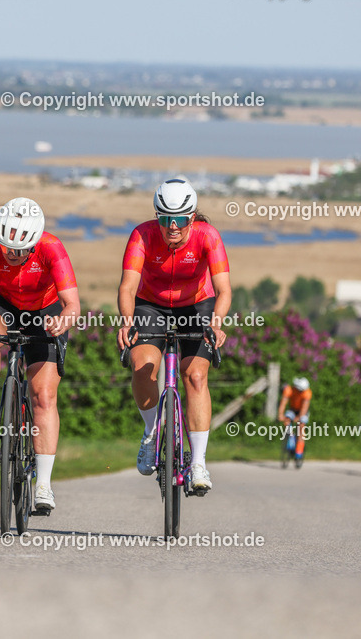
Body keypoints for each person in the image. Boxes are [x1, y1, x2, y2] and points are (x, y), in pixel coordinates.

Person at [0, 197, 80, 512]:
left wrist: (61, 321)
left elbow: (72, 305)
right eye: (5, 248)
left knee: (42, 396)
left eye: (19, 251)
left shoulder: (52, 248)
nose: (11, 256)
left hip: (46, 309)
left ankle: (43, 485)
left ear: (34, 243)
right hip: (2, 302)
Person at [117, 179, 231, 494]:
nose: (172, 226)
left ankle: (198, 463)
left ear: (192, 217)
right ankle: (152, 433)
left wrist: (217, 323)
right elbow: (127, 286)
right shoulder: (142, 235)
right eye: (165, 218)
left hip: (197, 304)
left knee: (195, 376)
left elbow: (223, 289)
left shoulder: (208, 236)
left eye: (180, 219)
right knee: (142, 366)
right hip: (151, 304)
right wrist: (127, 322)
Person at [277, 377, 312, 460]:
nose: (300, 392)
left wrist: (298, 418)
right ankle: (291, 438)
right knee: (287, 420)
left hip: (303, 411)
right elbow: (283, 403)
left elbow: (304, 408)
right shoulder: (289, 390)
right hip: (292, 409)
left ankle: (299, 451)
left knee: (301, 426)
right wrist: (280, 414)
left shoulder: (307, 393)